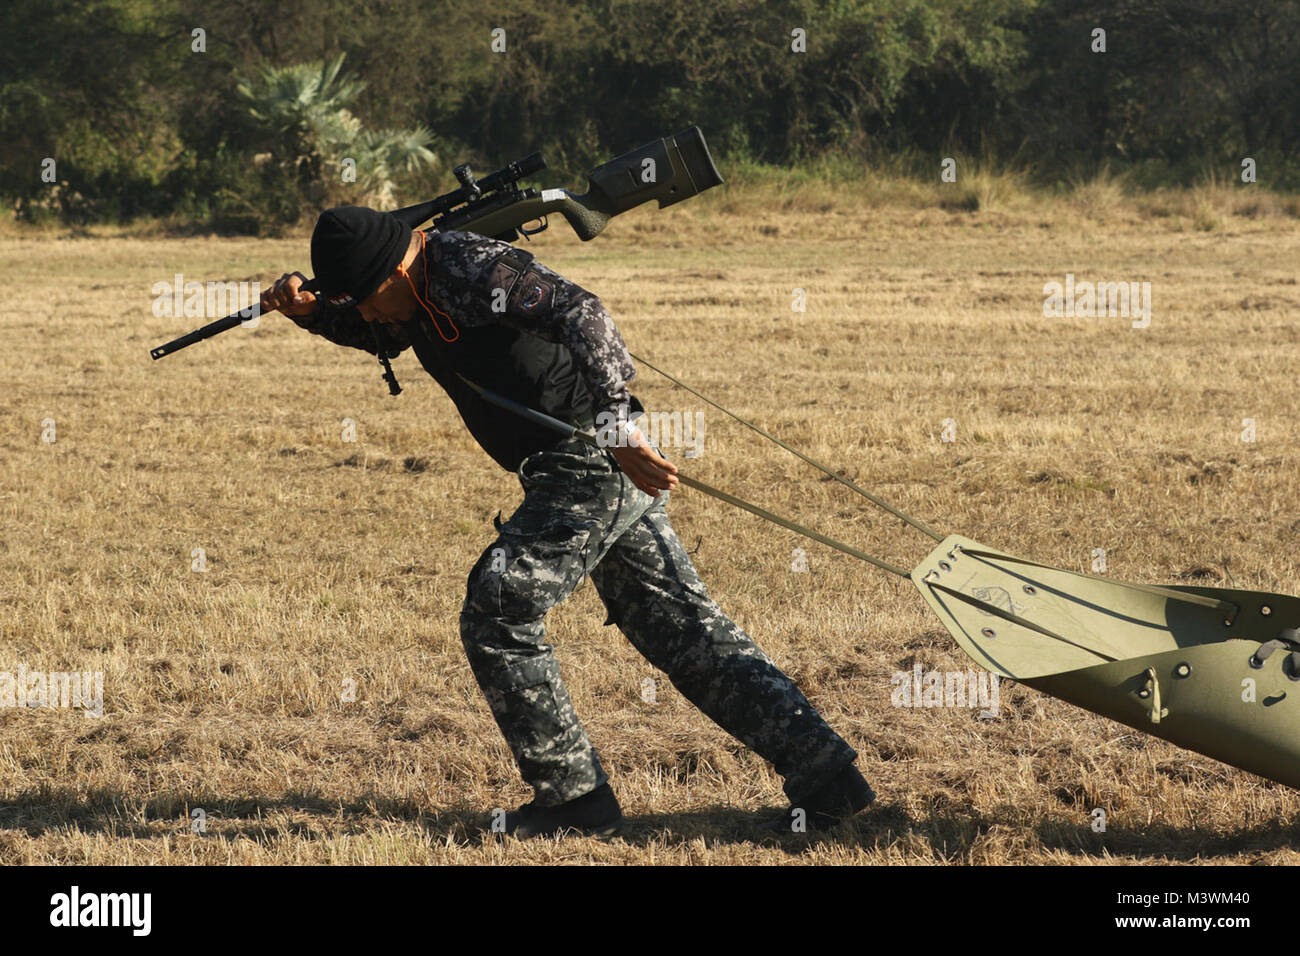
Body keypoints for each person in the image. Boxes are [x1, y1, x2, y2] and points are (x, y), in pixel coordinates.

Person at [261, 204, 875, 838]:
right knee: (684, 631)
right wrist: (314, 317)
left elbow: (583, 311)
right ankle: (826, 776)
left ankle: (574, 797)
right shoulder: (409, 290)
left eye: (361, 297)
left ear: (391, 270)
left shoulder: (473, 267)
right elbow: (386, 331)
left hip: (585, 458)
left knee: (498, 610)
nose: (361, 311)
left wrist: (616, 423)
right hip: (567, 464)